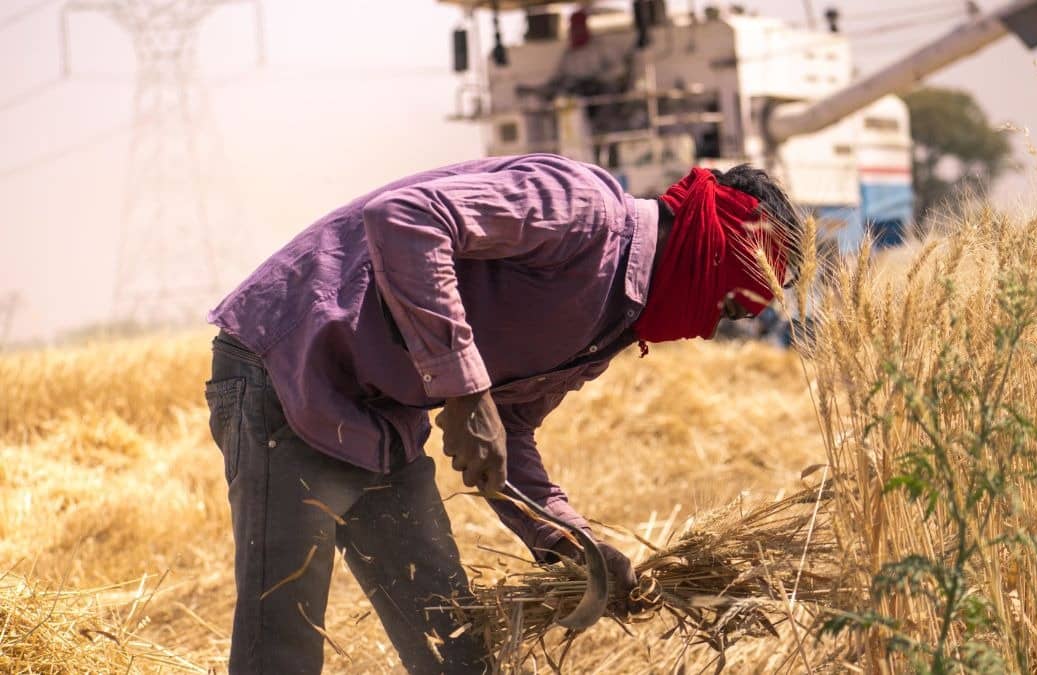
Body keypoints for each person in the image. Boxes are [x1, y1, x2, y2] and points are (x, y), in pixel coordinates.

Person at [203, 153, 798, 674]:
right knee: (280, 648)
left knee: (457, 649)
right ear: (716, 252)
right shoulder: (584, 209)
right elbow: (405, 218)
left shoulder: (613, 321)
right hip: (287, 368)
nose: (712, 331)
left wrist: (567, 540)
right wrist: (464, 391)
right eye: (733, 308)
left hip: (381, 417)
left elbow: (504, 429)